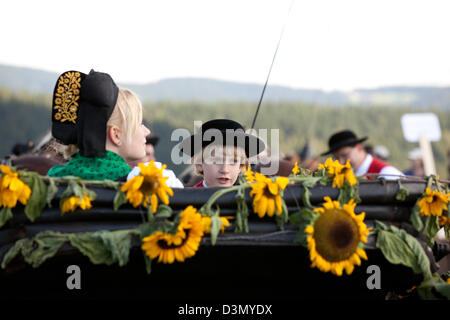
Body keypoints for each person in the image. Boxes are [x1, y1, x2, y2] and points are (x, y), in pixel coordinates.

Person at [46, 69, 183, 188]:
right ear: (116, 135)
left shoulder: (53, 178)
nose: (146, 132)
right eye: (139, 123)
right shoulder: (142, 184)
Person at [178, 119, 265, 188]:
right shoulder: (188, 200)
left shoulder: (246, 201)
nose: (225, 169)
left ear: (241, 166)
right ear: (199, 164)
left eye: (233, 161)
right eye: (216, 160)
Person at [321, 130, 403, 180]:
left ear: (359, 147)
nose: (341, 162)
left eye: (345, 155)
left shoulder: (386, 173)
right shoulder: (345, 175)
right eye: (337, 158)